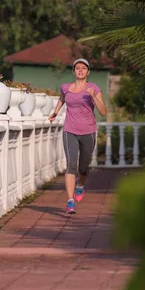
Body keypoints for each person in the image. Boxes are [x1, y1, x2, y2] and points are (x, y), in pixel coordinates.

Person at [48, 58, 107, 214]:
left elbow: (103, 112)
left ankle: (80, 185)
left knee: (84, 168)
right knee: (71, 166)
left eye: (83, 68)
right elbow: (62, 99)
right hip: (70, 131)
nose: (80, 70)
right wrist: (55, 113)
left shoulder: (94, 88)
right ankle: (70, 201)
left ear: (88, 72)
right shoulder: (66, 88)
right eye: (77, 68)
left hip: (88, 132)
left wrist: (93, 97)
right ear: (73, 71)